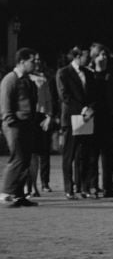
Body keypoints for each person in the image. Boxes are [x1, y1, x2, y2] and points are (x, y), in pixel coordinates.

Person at [56, 46, 97, 199]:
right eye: (87, 56)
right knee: (69, 155)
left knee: (85, 154)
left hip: (86, 117)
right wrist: (83, 108)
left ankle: (85, 187)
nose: (90, 60)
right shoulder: (63, 72)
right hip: (71, 117)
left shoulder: (88, 73)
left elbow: (93, 94)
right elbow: (64, 96)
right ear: (78, 56)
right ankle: (69, 188)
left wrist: (91, 108)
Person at [1, 48, 39, 207]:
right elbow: (6, 102)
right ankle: (6, 192)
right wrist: (10, 120)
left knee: (25, 160)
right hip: (14, 124)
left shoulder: (28, 80)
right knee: (17, 157)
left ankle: (19, 194)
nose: (36, 63)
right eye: (33, 60)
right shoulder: (10, 79)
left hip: (26, 124)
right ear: (22, 61)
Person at [88, 43, 113, 197]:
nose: (104, 57)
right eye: (101, 54)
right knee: (92, 156)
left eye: (106, 55)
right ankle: (93, 186)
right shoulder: (89, 74)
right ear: (94, 57)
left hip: (108, 118)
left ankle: (108, 187)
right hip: (93, 119)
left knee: (108, 157)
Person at [27, 57, 57, 196]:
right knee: (30, 155)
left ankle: (44, 182)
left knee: (44, 153)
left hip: (41, 116)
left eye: (39, 60)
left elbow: (49, 99)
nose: (37, 62)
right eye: (34, 60)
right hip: (29, 117)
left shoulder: (44, 79)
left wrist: (50, 116)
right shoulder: (24, 78)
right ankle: (30, 185)